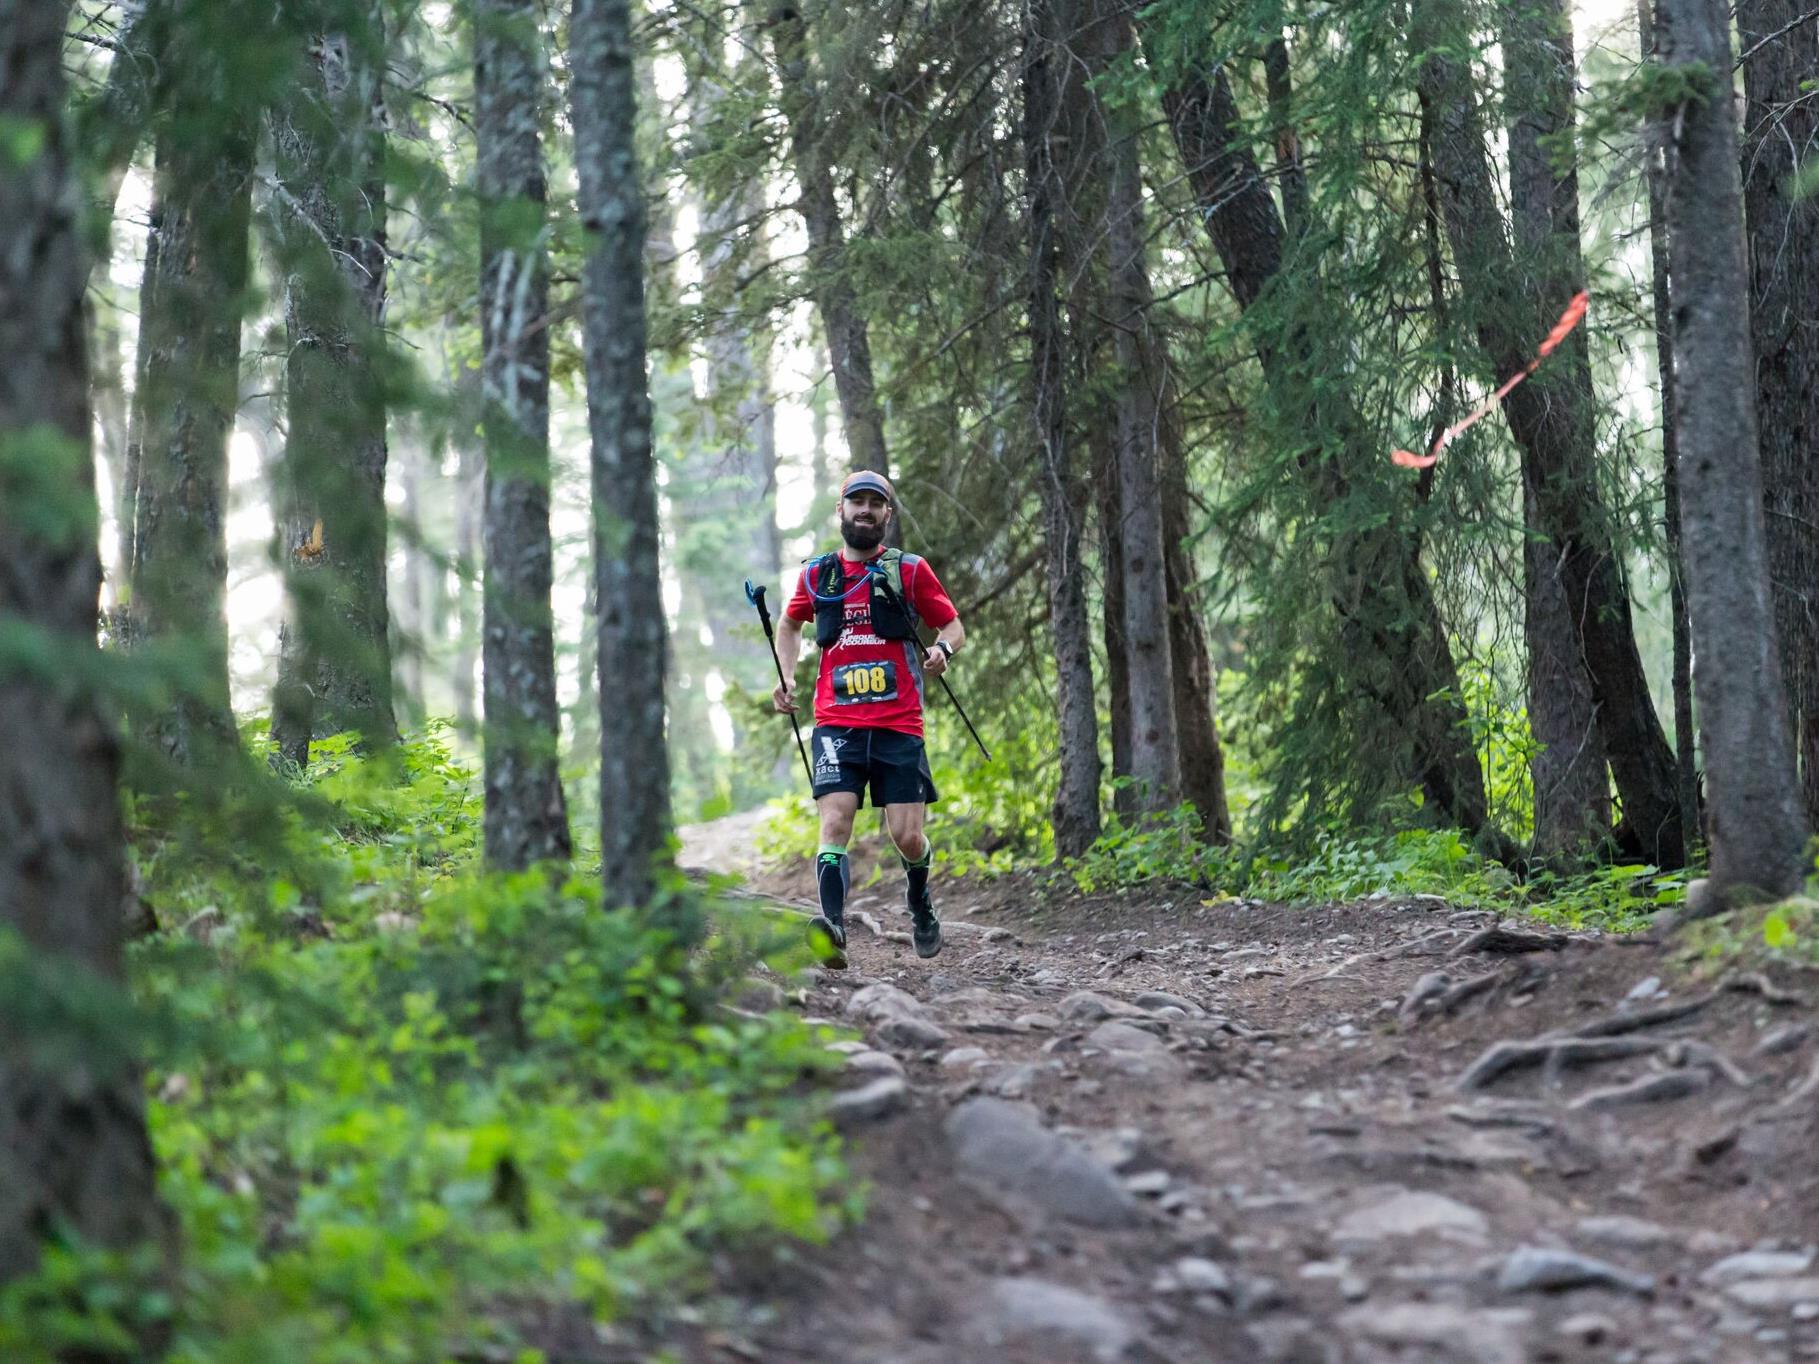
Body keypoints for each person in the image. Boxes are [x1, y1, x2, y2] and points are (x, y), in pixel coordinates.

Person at [772, 470, 965, 968]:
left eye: (874, 503)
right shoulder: (818, 575)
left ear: (887, 515)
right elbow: (790, 622)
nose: (864, 509)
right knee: (835, 821)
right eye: (856, 501)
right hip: (837, 723)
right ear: (841, 510)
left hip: (899, 724)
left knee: (906, 835)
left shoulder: (910, 570)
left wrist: (943, 649)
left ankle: (919, 899)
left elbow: (952, 623)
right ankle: (832, 928)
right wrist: (787, 676)